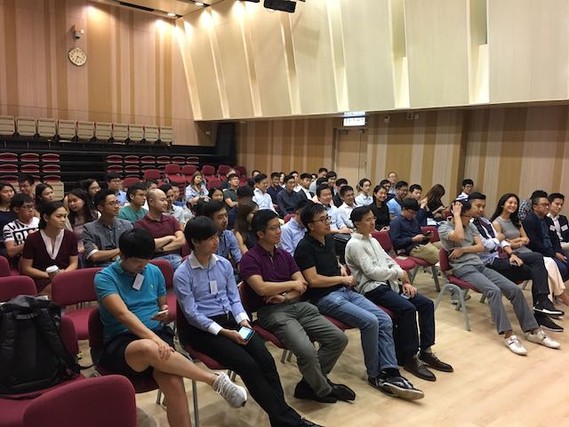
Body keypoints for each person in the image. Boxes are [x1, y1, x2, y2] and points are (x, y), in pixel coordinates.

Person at [94, 228, 247, 427]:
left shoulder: (153, 271)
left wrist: (164, 312)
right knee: (148, 348)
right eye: (137, 262)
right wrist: (155, 340)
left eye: (146, 261)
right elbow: (123, 315)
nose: (142, 266)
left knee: (173, 382)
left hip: (158, 335)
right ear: (122, 255)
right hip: (124, 342)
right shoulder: (105, 278)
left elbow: (162, 305)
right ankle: (214, 380)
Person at [174, 217, 319, 427]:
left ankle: (281, 419)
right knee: (248, 365)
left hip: (233, 322)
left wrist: (243, 320)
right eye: (210, 238)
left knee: (266, 360)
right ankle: (290, 421)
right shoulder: (183, 273)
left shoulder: (223, 264)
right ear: (196, 241)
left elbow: (234, 299)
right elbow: (192, 314)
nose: (216, 241)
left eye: (216, 236)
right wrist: (224, 332)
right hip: (204, 331)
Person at [294, 202, 424, 400]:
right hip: (323, 297)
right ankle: (375, 374)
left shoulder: (328, 239)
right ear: (310, 226)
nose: (328, 223)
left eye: (327, 218)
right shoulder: (304, 247)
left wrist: (340, 267)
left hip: (344, 290)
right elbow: (313, 280)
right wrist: (341, 279)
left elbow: (333, 262)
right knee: (370, 322)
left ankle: (390, 370)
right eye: (322, 220)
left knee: (384, 319)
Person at [240, 209, 352, 405]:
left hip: (296, 305)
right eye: (273, 228)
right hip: (270, 312)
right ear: (260, 233)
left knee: (338, 339)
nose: (279, 231)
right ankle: (324, 389)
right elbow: (261, 288)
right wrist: (291, 285)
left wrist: (285, 295)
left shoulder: (284, 254)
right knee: (307, 351)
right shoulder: (250, 259)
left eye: (279, 227)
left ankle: (310, 385)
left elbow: (302, 284)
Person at [438, 200, 560, 355]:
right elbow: (459, 236)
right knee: (494, 291)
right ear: (458, 215)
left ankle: (533, 330)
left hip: (480, 266)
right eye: (467, 217)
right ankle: (508, 335)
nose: (469, 220)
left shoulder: (471, 226)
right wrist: (456, 215)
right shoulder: (444, 228)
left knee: (514, 290)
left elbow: (480, 247)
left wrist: (463, 250)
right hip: (463, 268)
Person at [346, 206, 453, 382]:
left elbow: (390, 261)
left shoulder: (372, 239)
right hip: (372, 289)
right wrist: (398, 273)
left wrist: (404, 280)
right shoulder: (354, 245)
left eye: (373, 218)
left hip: (390, 284)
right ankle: (410, 357)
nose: (372, 222)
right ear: (357, 223)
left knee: (426, 304)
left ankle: (426, 351)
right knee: (407, 308)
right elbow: (372, 273)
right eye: (368, 220)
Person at [468, 192, 564, 332]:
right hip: (488, 263)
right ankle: (541, 312)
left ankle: (542, 303)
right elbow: (486, 245)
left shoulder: (486, 222)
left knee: (537, 259)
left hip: (502, 257)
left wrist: (511, 253)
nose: (481, 209)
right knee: (537, 270)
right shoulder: (470, 225)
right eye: (478, 206)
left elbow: (504, 241)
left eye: (483, 206)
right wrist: (500, 240)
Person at [491, 193, 569, 307]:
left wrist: (514, 241)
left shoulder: (516, 221)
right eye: (510, 202)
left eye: (515, 203)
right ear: (502, 204)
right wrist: (517, 242)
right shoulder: (496, 223)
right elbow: (502, 243)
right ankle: (554, 298)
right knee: (548, 264)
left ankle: (547, 301)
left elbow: (526, 239)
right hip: (513, 254)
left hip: (527, 252)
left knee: (548, 265)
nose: (513, 205)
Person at [20, 201, 79, 296]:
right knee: (56, 289)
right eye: (59, 216)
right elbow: (26, 268)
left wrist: (63, 274)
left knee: (70, 287)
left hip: (65, 276)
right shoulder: (32, 238)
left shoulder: (70, 236)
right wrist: (49, 275)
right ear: (46, 218)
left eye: (65, 216)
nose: (63, 220)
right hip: (41, 278)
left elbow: (74, 263)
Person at [522, 194, 569, 281]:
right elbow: (535, 243)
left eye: (548, 205)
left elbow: (555, 239)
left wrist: (558, 252)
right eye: (544, 205)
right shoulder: (529, 221)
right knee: (562, 268)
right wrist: (554, 254)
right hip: (539, 253)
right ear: (535, 207)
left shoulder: (548, 220)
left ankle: (556, 287)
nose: (547, 207)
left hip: (552, 250)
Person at [135, 189, 185, 269]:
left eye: (165, 200)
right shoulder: (140, 224)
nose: (166, 203)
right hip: (155, 261)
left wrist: (160, 249)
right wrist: (170, 238)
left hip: (176, 257)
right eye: (162, 200)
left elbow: (181, 241)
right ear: (151, 202)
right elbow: (147, 245)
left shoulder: (171, 220)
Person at [82, 189, 133, 268]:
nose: (117, 206)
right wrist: (121, 250)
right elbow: (95, 256)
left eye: (117, 202)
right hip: (100, 269)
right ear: (100, 208)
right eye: (111, 203)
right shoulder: (89, 228)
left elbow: (133, 250)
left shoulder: (127, 225)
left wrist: (104, 254)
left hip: (125, 267)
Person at [389, 198, 439, 264]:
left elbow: (419, 234)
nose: (413, 215)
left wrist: (426, 236)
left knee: (442, 246)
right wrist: (412, 239)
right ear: (404, 209)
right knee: (435, 253)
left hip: (421, 244)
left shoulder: (414, 220)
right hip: (410, 248)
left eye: (415, 213)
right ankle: (445, 266)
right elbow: (396, 242)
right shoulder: (396, 222)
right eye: (411, 213)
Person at [201, 201, 243, 265]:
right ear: (209, 219)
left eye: (226, 215)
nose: (225, 220)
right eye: (220, 217)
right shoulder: (202, 239)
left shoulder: (229, 235)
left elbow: (238, 258)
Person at [3, 193, 39, 267]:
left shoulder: (39, 222)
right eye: (27, 207)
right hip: (22, 261)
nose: (31, 210)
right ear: (16, 209)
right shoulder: (10, 227)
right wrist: (30, 241)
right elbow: (11, 252)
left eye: (32, 206)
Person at [65, 188, 99, 256]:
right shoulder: (68, 219)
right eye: (69, 201)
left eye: (75, 200)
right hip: (76, 251)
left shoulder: (96, 215)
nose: (72, 204)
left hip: (94, 248)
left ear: (84, 201)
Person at [0, 182, 16, 257]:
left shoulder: (19, 208)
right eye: (5, 192)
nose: (10, 194)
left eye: (11, 191)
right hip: (2, 243)